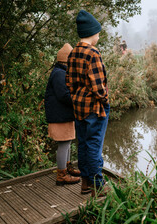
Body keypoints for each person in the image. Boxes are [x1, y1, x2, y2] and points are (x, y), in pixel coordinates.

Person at [66, 10, 110, 197]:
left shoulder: (73, 52)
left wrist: (77, 96)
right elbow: (98, 85)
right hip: (94, 107)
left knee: (83, 144)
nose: (99, 36)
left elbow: (68, 81)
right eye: (98, 33)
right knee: (94, 146)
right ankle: (98, 186)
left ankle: (85, 184)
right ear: (92, 33)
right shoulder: (93, 53)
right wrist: (105, 101)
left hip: (78, 106)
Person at [44, 43, 81, 186]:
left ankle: (67, 167)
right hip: (60, 116)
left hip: (63, 115)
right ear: (67, 60)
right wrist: (79, 100)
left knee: (68, 141)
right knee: (64, 143)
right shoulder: (60, 74)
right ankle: (61, 175)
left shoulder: (61, 71)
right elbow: (64, 95)